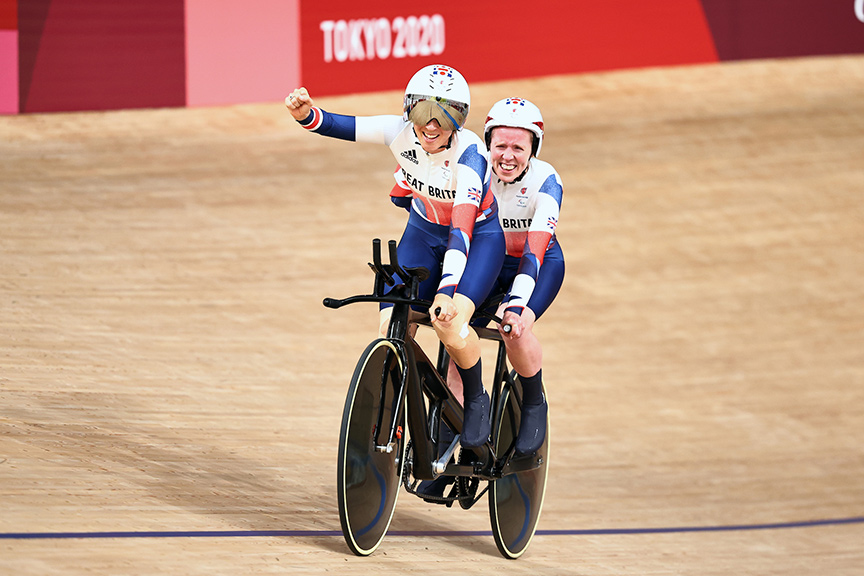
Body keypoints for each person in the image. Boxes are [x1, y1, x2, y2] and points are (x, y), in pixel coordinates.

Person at [285, 66, 505, 466]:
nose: (432, 125)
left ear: (460, 120)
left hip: (477, 240)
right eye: (422, 113)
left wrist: (445, 291)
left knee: (450, 324)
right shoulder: (397, 131)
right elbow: (338, 125)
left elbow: (461, 232)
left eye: (446, 115)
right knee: (391, 325)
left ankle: (475, 398)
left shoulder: (471, 156)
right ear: (408, 112)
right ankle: (396, 408)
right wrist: (305, 115)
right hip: (421, 233)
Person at [395, 98, 565, 457]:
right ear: (487, 144)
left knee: (513, 330)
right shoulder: (468, 166)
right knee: (459, 338)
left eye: (518, 147)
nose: (507, 155)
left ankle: (534, 401)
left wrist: (517, 307)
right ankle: (446, 442)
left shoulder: (546, 182)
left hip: (533, 265)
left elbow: (534, 256)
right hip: (485, 260)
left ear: (533, 150)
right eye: (500, 145)